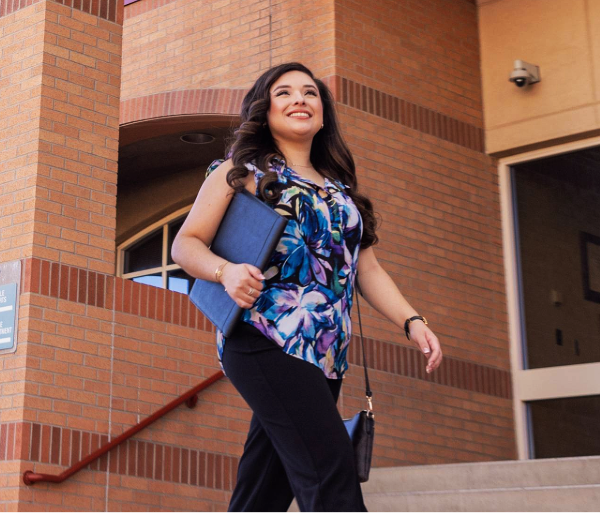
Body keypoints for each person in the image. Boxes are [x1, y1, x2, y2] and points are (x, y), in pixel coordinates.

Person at [170, 62, 444, 512]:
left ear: (322, 112)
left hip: (325, 352)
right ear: (265, 110)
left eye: (310, 93)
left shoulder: (341, 191)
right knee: (330, 472)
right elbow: (186, 244)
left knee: (264, 490)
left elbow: (366, 269)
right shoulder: (240, 173)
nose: (300, 99)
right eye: (285, 93)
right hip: (264, 337)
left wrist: (412, 321)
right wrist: (227, 272)